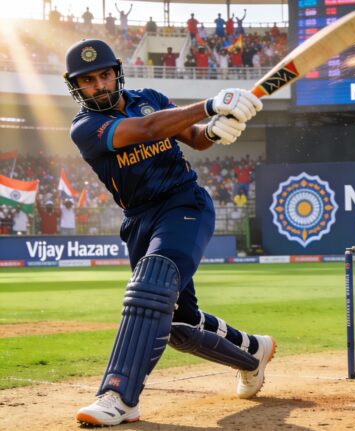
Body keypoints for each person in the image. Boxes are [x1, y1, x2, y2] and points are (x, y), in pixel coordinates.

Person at [63, 39, 274, 426]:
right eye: (89, 80)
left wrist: (217, 128)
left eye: (105, 74)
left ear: (116, 72)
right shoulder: (85, 127)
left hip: (184, 204)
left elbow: (194, 138)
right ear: (77, 87)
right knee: (180, 325)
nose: (100, 85)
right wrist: (211, 104)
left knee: (151, 284)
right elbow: (146, 129)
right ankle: (253, 352)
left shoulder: (151, 97)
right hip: (139, 221)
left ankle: (118, 396)